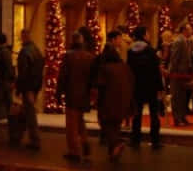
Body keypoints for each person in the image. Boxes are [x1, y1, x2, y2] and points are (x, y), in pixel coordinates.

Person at [95, 30, 134, 162]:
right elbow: (131, 82)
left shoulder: (105, 68)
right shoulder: (123, 67)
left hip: (109, 101)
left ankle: (116, 143)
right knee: (115, 125)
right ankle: (113, 152)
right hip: (123, 101)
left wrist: (98, 102)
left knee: (107, 124)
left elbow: (101, 86)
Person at [57, 31, 94, 163]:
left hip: (72, 93)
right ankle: (85, 142)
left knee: (72, 124)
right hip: (84, 95)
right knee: (80, 121)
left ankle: (75, 151)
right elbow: (92, 78)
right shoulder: (89, 57)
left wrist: (59, 92)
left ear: (73, 41)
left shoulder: (68, 56)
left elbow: (63, 76)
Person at [127, 25, 162, 150]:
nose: (149, 35)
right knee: (154, 113)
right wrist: (160, 88)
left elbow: (129, 70)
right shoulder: (151, 51)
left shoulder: (130, 51)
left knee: (137, 113)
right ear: (144, 35)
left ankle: (135, 139)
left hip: (137, 86)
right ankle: (155, 140)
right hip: (151, 85)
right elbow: (156, 71)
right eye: (147, 33)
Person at [16, 29, 44, 151]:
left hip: (28, 87)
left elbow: (24, 72)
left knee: (30, 113)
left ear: (24, 37)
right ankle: (20, 135)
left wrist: (22, 88)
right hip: (34, 86)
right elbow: (39, 71)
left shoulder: (25, 52)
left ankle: (34, 140)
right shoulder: (36, 50)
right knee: (27, 111)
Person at [168, 22, 193, 126]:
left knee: (183, 97)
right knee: (177, 97)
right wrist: (173, 72)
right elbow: (174, 58)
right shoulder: (179, 41)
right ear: (184, 30)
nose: (191, 31)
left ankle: (183, 116)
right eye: (189, 29)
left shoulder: (188, 41)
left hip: (185, 73)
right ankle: (177, 118)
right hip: (177, 73)